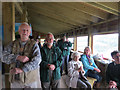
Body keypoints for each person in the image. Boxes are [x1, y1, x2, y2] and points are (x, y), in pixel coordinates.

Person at [2, 22, 41, 88]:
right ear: (19, 31)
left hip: (30, 81)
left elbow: (37, 60)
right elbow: (3, 57)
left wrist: (22, 69)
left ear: (29, 32)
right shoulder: (12, 44)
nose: (25, 32)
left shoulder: (34, 44)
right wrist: (18, 57)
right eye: (23, 30)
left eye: (27, 30)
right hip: (15, 80)